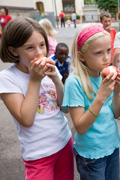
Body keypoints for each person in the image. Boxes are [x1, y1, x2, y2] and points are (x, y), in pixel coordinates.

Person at [0, 17, 74, 180]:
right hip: (39, 155)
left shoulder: (50, 70)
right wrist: (34, 80)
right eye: (30, 47)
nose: (40, 53)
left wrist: (56, 78)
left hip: (64, 143)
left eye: (42, 45)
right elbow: (26, 119)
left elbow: (64, 108)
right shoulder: (8, 78)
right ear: (13, 50)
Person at [62, 24, 120, 180]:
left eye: (108, 50)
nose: (107, 58)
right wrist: (101, 96)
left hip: (112, 145)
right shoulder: (74, 83)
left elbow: (116, 114)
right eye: (98, 53)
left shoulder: (104, 76)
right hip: (91, 155)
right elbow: (81, 127)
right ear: (82, 56)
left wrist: (117, 93)